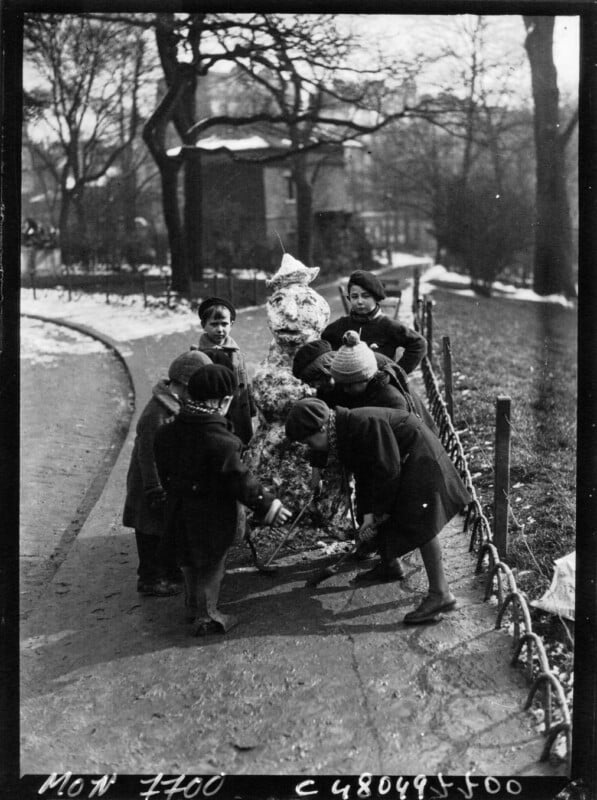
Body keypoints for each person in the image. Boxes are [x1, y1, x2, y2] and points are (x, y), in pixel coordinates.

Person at [285, 397, 472, 624]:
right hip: (401, 461)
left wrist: (379, 513)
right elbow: (366, 475)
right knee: (388, 511)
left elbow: (387, 471)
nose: (310, 446)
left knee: (420, 521)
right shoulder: (342, 432)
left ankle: (440, 595)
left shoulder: (363, 425)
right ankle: (390, 564)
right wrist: (368, 515)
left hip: (420, 456)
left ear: (323, 427)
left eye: (309, 441)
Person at [154, 364, 292, 636]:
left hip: (178, 510)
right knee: (212, 565)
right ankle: (209, 617)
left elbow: (164, 471)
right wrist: (268, 504)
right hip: (211, 516)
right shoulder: (221, 440)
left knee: (189, 563)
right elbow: (240, 480)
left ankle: (192, 608)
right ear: (224, 401)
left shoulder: (166, 431)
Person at [122, 349, 212, 596]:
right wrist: (153, 488)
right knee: (149, 533)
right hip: (149, 484)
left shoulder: (175, 406)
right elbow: (146, 454)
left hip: (166, 481)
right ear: (183, 385)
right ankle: (149, 579)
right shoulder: (157, 413)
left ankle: (169, 571)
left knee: (165, 529)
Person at [321, 269, 427, 371]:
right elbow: (323, 343)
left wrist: (395, 373)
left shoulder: (387, 325)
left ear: (376, 297)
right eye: (354, 296)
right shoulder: (342, 324)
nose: (359, 301)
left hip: (379, 383)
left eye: (365, 296)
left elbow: (419, 344)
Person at [196, 296, 256, 445]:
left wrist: (251, 405)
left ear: (231, 324)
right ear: (204, 325)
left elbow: (244, 379)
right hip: (218, 412)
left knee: (242, 444)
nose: (220, 329)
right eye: (214, 324)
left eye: (224, 324)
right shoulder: (200, 355)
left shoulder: (236, 351)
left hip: (240, 411)